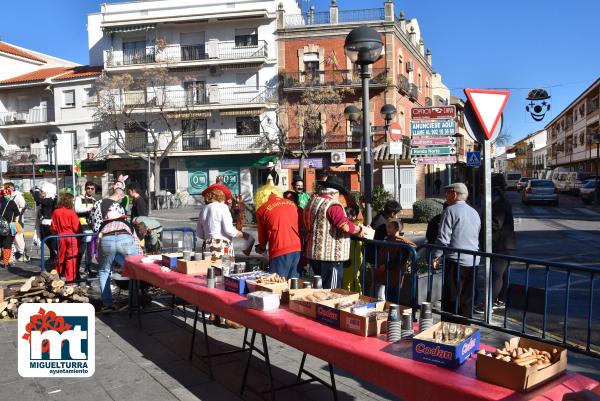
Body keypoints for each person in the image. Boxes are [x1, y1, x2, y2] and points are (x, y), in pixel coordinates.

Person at [304, 175, 373, 289]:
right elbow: (344, 226)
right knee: (332, 291)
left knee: (318, 290)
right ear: (334, 193)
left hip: (313, 254)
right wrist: (360, 229)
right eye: (339, 194)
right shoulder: (333, 205)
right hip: (330, 258)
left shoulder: (312, 202)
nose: (340, 197)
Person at [90, 178, 141, 312]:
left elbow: (99, 241)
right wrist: (140, 260)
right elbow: (135, 240)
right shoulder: (126, 224)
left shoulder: (104, 224)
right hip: (125, 238)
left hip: (106, 239)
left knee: (103, 271)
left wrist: (98, 255)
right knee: (134, 271)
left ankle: (108, 303)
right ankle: (135, 302)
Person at [433, 182, 481, 321]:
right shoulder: (474, 212)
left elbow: (443, 238)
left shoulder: (450, 210)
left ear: (454, 194)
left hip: (455, 260)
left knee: (451, 297)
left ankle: (448, 329)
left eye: (447, 193)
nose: (446, 196)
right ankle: (465, 331)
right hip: (473, 260)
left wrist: (436, 256)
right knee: (467, 298)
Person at [474, 174, 516, 314]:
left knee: (496, 274)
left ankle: (488, 304)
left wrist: (479, 223)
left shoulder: (499, 203)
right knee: (501, 275)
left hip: (501, 245)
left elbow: (496, 224)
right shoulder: (499, 200)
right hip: (504, 245)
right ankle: (500, 300)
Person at [255, 185, 302, 279]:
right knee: (293, 285)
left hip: (279, 249)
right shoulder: (291, 203)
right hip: (297, 248)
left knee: (277, 285)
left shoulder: (262, 210)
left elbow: (262, 236)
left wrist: (261, 247)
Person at [375, 219, 416, 302]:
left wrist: (386, 266)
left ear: (397, 229)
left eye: (390, 227)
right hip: (385, 274)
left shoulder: (402, 243)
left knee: (392, 298)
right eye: (387, 226)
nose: (387, 229)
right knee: (384, 296)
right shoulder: (387, 239)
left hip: (394, 276)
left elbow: (400, 260)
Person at [50, 193, 81, 283]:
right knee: (71, 258)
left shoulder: (56, 212)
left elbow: (53, 228)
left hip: (60, 236)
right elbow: (76, 228)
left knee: (60, 257)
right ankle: (70, 279)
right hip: (71, 237)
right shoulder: (71, 212)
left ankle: (56, 277)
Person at [32, 182, 57, 265]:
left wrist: (36, 190)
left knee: (51, 242)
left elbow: (37, 199)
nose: (41, 193)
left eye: (43, 191)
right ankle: (52, 256)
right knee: (45, 240)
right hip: (44, 224)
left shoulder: (50, 200)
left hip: (49, 225)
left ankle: (55, 257)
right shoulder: (46, 199)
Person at [74, 181, 97, 276]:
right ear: (85, 188)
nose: (90, 190)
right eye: (88, 188)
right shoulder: (79, 198)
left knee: (89, 251)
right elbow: (77, 210)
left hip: (91, 228)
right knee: (80, 250)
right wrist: (89, 210)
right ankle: (76, 269)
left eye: (92, 188)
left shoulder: (94, 200)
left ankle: (88, 268)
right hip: (82, 227)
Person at [4, 183, 28, 262]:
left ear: (12, 187)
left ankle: (22, 254)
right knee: (11, 239)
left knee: (18, 238)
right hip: (10, 221)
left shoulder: (18, 196)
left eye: (8, 187)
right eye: (5, 188)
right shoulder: (8, 197)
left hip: (17, 221)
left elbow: (23, 206)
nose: (6, 189)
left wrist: (15, 212)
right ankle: (12, 256)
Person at [342, 204, 364, 293]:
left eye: (348, 215)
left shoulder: (357, 226)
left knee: (352, 279)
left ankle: (356, 296)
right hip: (347, 255)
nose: (346, 217)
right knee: (347, 279)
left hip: (353, 256)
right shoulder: (348, 225)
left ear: (354, 216)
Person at [0, 187, 21, 268]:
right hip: (8, 226)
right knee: (7, 245)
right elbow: (17, 213)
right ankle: (5, 262)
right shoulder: (11, 202)